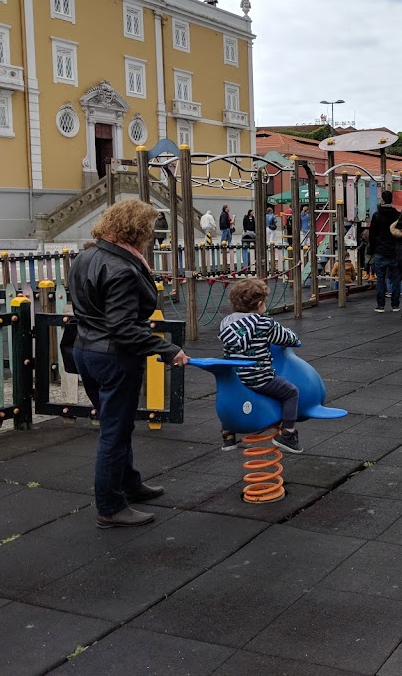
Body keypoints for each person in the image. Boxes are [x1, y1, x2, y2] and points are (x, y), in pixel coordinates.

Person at [68, 200, 190, 529]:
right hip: (113, 357)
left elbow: (86, 308)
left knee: (116, 425)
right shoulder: (122, 268)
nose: (152, 236)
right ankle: (110, 506)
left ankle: (129, 483)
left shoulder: (86, 256)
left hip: (86, 351)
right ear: (136, 231)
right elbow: (122, 327)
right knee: (115, 431)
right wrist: (166, 349)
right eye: (149, 230)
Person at [218, 278, 303, 453]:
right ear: (260, 303)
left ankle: (228, 435)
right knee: (291, 392)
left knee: (227, 396)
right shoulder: (264, 323)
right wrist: (294, 339)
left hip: (234, 379)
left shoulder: (226, 323)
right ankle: (288, 434)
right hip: (258, 379)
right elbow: (287, 338)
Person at [368, 190, 401, 312]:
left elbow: (372, 234)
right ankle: (395, 304)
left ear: (382, 200)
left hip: (380, 250)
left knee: (380, 279)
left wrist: (373, 249)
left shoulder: (377, 215)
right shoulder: (397, 215)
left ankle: (380, 305)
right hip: (394, 250)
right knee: (396, 279)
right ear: (391, 200)